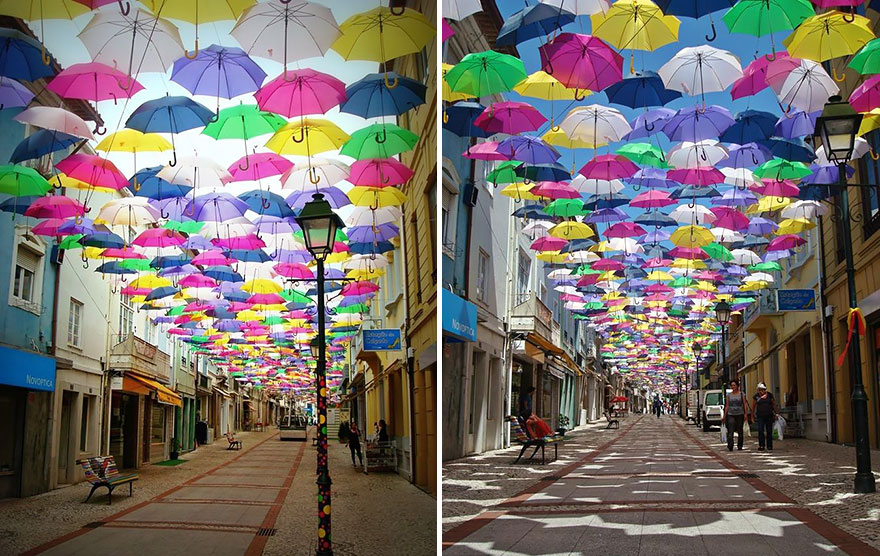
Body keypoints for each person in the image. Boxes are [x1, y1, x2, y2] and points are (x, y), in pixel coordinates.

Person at [722, 379, 750, 451]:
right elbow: (727, 405)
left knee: (740, 430)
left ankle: (740, 445)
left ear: (737, 386)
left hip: (740, 414)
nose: (733, 386)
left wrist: (746, 414)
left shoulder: (741, 394)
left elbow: (745, 404)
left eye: (734, 385)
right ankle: (730, 445)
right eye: (731, 385)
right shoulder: (729, 395)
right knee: (730, 430)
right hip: (730, 414)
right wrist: (724, 416)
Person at [752, 383, 778, 451]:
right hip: (760, 416)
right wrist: (752, 415)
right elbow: (753, 406)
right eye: (760, 390)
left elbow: (773, 404)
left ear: (765, 389)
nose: (761, 391)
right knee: (760, 430)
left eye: (763, 390)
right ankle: (761, 445)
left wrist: (776, 413)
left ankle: (769, 445)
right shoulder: (756, 396)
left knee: (769, 430)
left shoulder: (770, 395)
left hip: (769, 415)